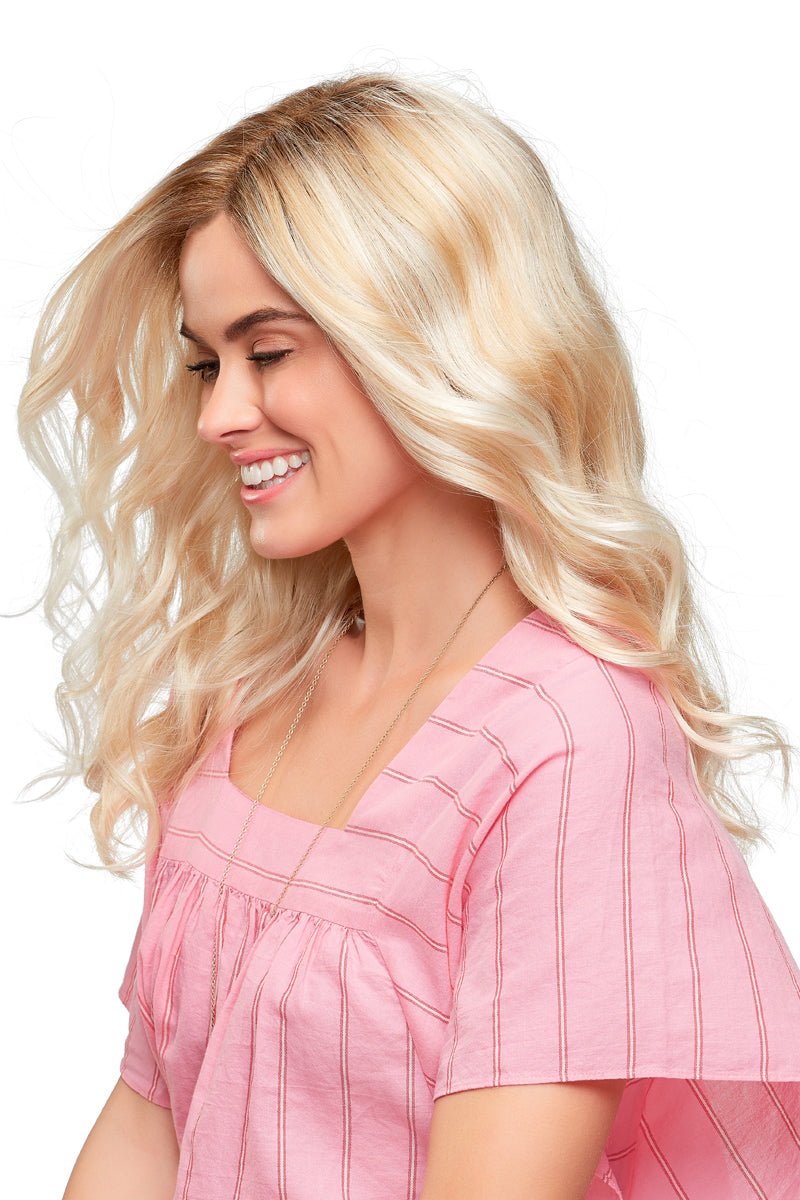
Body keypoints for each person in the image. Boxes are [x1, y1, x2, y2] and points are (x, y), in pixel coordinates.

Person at [17, 68, 800, 1200]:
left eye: (266, 353)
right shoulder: (250, 696)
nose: (219, 414)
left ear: (429, 341)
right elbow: (150, 1123)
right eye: (205, 362)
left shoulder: (567, 738)